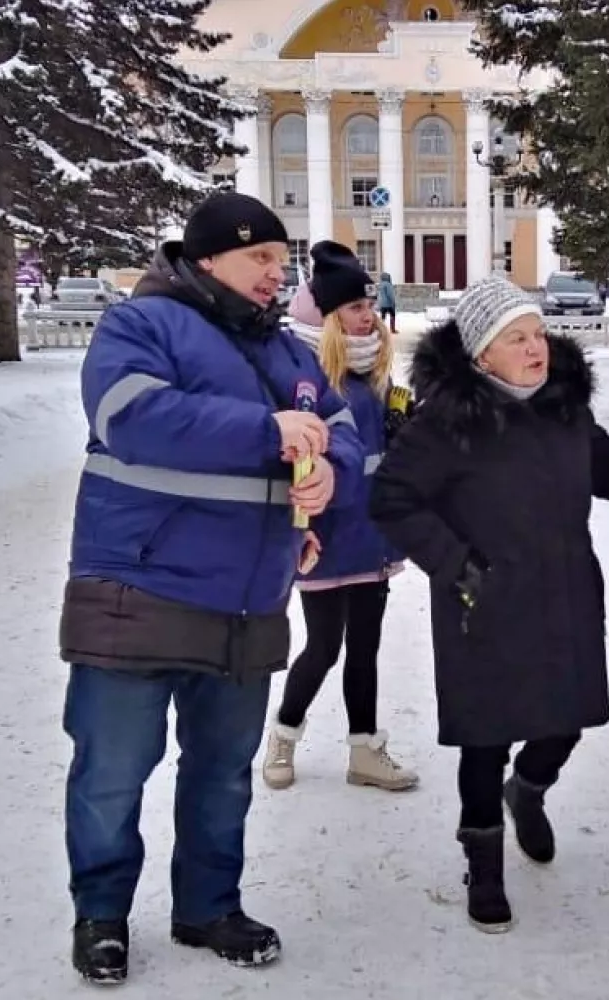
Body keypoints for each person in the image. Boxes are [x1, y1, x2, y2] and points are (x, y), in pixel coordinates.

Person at [57, 191, 365, 984]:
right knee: (114, 768)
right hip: (138, 585)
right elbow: (133, 416)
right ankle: (101, 916)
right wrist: (263, 432)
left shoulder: (291, 354)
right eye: (259, 256)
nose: (276, 271)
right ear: (208, 259)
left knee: (222, 770)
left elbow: (349, 430)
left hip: (249, 600)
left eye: (280, 257)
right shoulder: (142, 324)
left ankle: (207, 905)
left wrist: (327, 474)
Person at [368, 275, 609, 934]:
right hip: (481, 603)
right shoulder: (446, 421)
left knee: (563, 723)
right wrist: (459, 565)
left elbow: (603, 466)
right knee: (485, 741)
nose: (536, 348)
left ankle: (529, 790)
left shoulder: (564, 406)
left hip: (564, 594)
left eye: (538, 334)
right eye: (517, 339)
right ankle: (482, 861)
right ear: (483, 353)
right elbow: (392, 498)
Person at [261, 242, 418, 792]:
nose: (368, 314)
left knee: (367, 649)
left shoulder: (376, 382)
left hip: (372, 539)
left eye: (370, 303)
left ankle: (365, 752)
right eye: (355, 306)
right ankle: (282, 735)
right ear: (327, 319)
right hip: (325, 540)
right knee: (324, 647)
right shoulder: (307, 384)